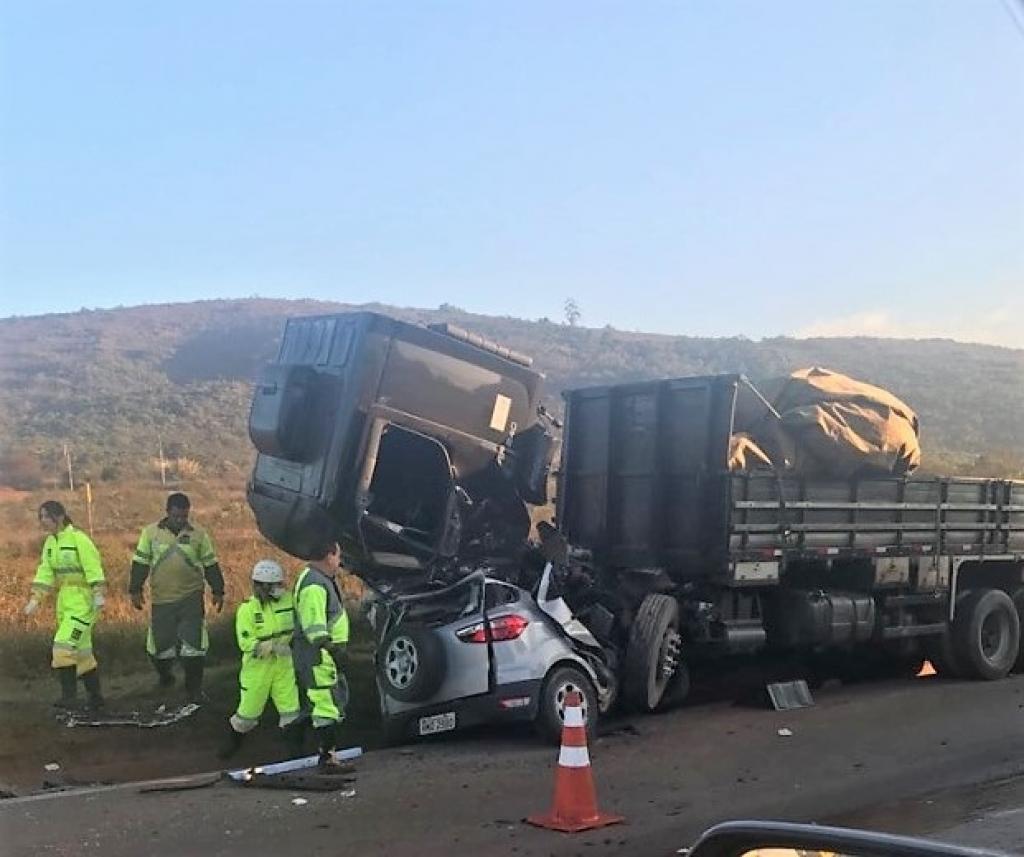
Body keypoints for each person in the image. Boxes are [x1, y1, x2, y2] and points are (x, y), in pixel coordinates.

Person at [129, 492, 224, 702]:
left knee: (194, 647)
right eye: (176, 516)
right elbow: (141, 563)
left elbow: (210, 564)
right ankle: (166, 678)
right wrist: (135, 590)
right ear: (167, 513)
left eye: (184, 516)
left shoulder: (199, 534)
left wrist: (218, 590)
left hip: (191, 597)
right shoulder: (150, 533)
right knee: (160, 648)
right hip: (162, 599)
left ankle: (194, 689)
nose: (181, 520)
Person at [24, 500, 106, 710]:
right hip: (65, 602)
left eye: (45, 516)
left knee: (63, 647)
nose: (42, 521)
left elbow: (92, 566)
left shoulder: (79, 539)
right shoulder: (51, 544)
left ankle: (69, 697)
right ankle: (96, 697)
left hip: (83, 603)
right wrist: (35, 598)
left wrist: (98, 592)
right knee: (82, 653)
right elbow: (46, 572)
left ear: (59, 517)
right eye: (40, 517)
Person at [219, 559, 302, 759]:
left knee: (291, 711)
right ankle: (232, 746)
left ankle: (295, 752)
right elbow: (246, 642)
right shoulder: (247, 609)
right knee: (248, 713)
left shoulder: (289, 601)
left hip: (284, 665)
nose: (279, 588)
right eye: (275, 585)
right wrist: (270, 647)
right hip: (258, 668)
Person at [293, 538, 350, 767]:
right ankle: (327, 758)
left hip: (321, 654)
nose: (339, 561)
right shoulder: (315, 584)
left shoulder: (319, 580)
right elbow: (314, 627)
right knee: (326, 705)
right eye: (338, 555)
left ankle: (299, 735)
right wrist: (334, 650)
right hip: (319, 655)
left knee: (329, 702)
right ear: (329, 555)